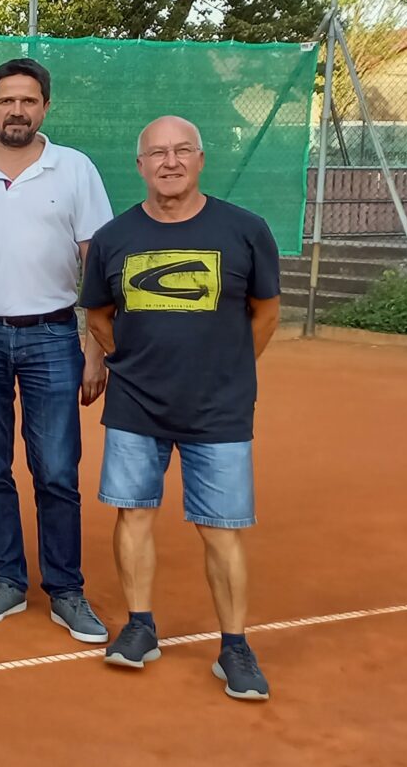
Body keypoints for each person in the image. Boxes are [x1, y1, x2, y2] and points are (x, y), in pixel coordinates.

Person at [82, 116, 281, 701]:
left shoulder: (244, 230)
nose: (169, 162)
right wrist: (138, 365)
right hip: (135, 405)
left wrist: (226, 369)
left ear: (200, 159)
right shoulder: (115, 237)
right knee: (133, 515)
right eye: (157, 153)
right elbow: (98, 318)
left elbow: (265, 313)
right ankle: (140, 627)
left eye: (182, 151)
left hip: (219, 409)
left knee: (221, 530)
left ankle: (234, 648)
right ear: (139, 165)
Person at [0, 58, 112, 644]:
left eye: (28, 101)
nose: (17, 110)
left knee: (57, 469)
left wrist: (96, 347)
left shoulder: (76, 170)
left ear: (45, 107)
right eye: (6, 100)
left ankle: (66, 589)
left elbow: (99, 263)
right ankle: (7, 580)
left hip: (55, 335)